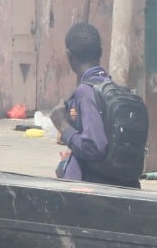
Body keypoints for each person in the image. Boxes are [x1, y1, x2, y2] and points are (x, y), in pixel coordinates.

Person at [53, 22, 125, 185]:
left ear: (69, 56)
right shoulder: (113, 88)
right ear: (100, 52)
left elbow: (94, 146)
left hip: (89, 192)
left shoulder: (85, 92)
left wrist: (64, 127)